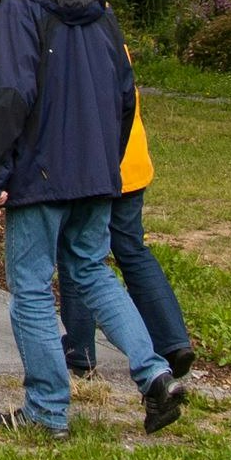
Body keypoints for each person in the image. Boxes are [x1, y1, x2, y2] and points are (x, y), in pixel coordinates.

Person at [0, 0, 187, 436]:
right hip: (94, 166)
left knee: (30, 285)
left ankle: (48, 408)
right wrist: (108, 160)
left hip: (41, 169)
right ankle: (154, 373)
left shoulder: (19, 8)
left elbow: (11, 93)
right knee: (92, 270)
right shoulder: (101, 7)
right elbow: (124, 93)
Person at [64, 93, 196, 382]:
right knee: (133, 250)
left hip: (96, 165)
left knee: (79, 254)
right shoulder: (117, 46)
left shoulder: (78, 47)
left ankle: (80, 353)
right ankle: (173, 341)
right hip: (131, 158)